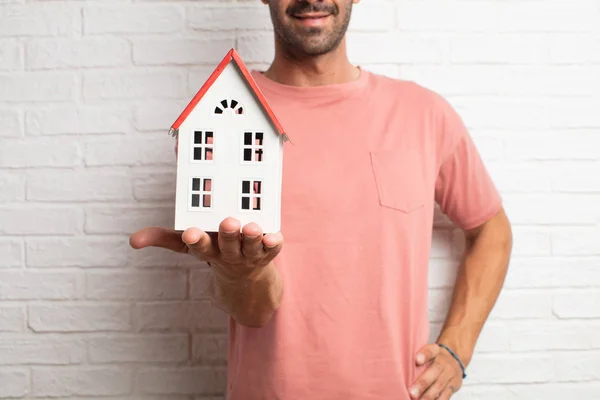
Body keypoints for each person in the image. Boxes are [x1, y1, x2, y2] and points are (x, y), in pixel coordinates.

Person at [129, 0, 513, 399]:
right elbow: (252, 310)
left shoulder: (424, 115)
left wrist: (456, 348)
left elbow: (491, 229)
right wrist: (240, 275)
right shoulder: (223, 124)